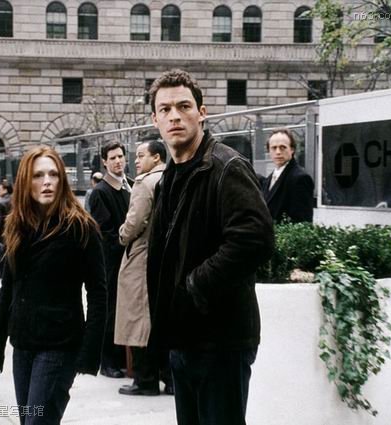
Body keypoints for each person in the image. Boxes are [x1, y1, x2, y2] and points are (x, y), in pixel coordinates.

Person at [146, 69, 274, 425]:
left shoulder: (226, 166)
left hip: (221, 342)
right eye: (165, 109)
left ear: (201, 113)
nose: (174, 116)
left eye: (184, 106)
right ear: (155, 120)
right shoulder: (168, 178)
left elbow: (255, 239)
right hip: (183, 340)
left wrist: (194, 287)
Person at [0, 146, 106, 425]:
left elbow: (99, 293)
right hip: (23, 344)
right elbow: (8, 290)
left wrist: (89, 353)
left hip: (59, 346)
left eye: (53, 174)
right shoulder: (18, 226)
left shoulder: (80, 227)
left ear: (62, 180)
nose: (47, 182)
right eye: (38, 175)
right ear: (26, 182)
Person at [115, 141, 173, 396]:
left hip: (141, 255)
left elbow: (135, 221)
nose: (136, 161)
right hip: (167, 256)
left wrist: (122, 235)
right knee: (162, 317)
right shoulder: (173, 177)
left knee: (138, 316)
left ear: (156, 157)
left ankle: (145, 379)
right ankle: (170, 378)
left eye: (141, 156)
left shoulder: (144, 183)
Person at [88, 140, 132, 378]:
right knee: (111, 310)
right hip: (112, 262)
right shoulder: (100, 192)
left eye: (120, 156)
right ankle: (108, 362)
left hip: (128, 259)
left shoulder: (130, 185)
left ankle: (122, 359)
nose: (117, 161)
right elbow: (105, 233)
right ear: (104, 162)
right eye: (112, 158)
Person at [261, 128, 315, 223]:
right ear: (269, 151)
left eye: (283, 147)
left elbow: (303, 222)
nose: (278, 152)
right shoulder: (269, 179)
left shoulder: (300, 178)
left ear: (292, 149)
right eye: (274, 148)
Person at [0, 181, 13, 278]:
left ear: (5, 190)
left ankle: (3, 273)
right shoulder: (16, 200)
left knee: (2, 252)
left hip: (3, 232)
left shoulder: (0, 204)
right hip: (14, 231)